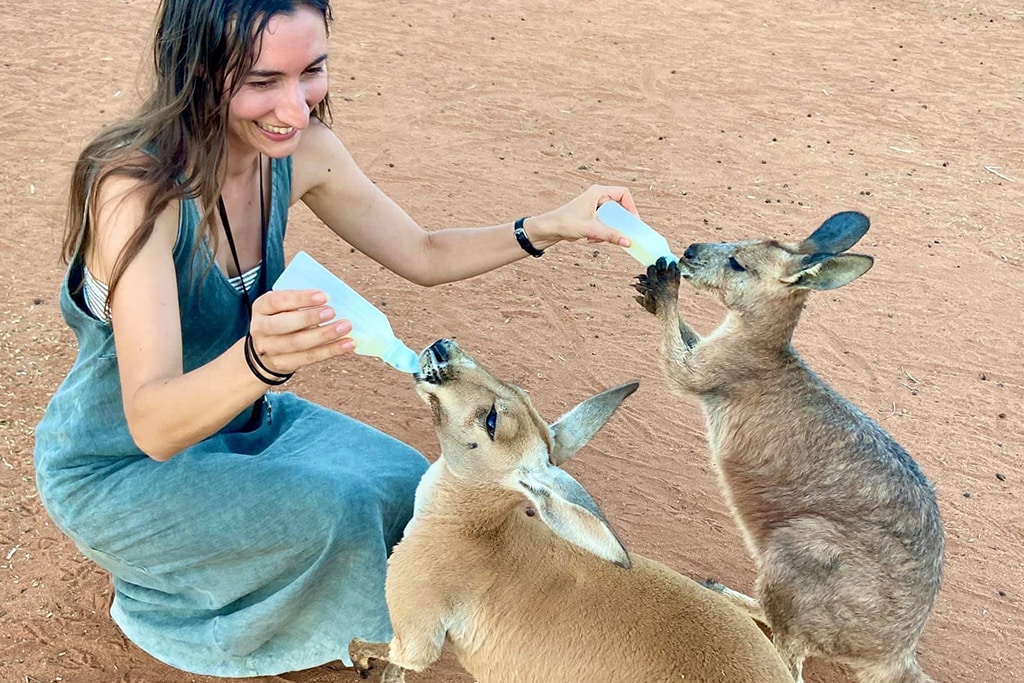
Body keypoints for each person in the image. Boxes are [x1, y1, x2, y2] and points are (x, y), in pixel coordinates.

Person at [33, 0, 639, 677]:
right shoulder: (137, 192)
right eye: (262, 82)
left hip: (245, 421)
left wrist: (550, 225)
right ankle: (169, 602)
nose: (294, 109)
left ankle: (220, 562)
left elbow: (423, 250)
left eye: (311, 72)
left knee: (410, 486)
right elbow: (151, 423)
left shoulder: (300, 151)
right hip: (119, 463)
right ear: (197, 68)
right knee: (341, 513)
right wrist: (259, 358)